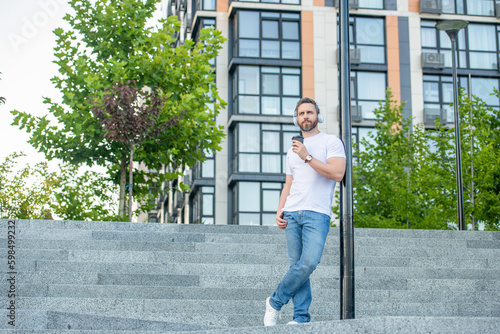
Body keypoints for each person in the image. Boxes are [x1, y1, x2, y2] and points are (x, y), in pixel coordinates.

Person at [263, 97, 346, 326]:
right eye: (301, 114)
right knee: (297, 267)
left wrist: (307, 157)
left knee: (308, 263)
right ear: (296, 118)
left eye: (309, 112)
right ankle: (300, 318)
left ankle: (275, 302)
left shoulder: (331, 142)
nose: (305, 117)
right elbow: (289, 184)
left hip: (317, 213)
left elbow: (337, 174)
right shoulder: (292, 151)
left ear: (317, 115)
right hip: (292, 213)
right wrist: (280, 210)